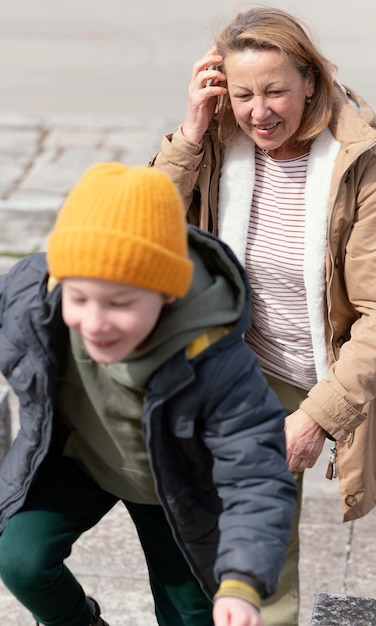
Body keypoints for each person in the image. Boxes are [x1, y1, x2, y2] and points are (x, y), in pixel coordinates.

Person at [150, 6, 376, 625]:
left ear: (310, 83)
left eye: (275, 90)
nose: (258, 111)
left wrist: (321, 415)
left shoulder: (365, 159)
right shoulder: (215, 143)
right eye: (242, 94)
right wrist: (189, 135)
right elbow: (149, 230)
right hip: (258, 371)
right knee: (259, 549)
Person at [0, 163, 297, 626]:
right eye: (79, 298)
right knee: (20, 561)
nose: (96, 322)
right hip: (80, 460)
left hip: (176, 487)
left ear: (168, 295)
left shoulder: (216, 362)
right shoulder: (34, 296)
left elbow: (255, 478)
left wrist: (241, 582)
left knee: (191, 613)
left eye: (120, 304)